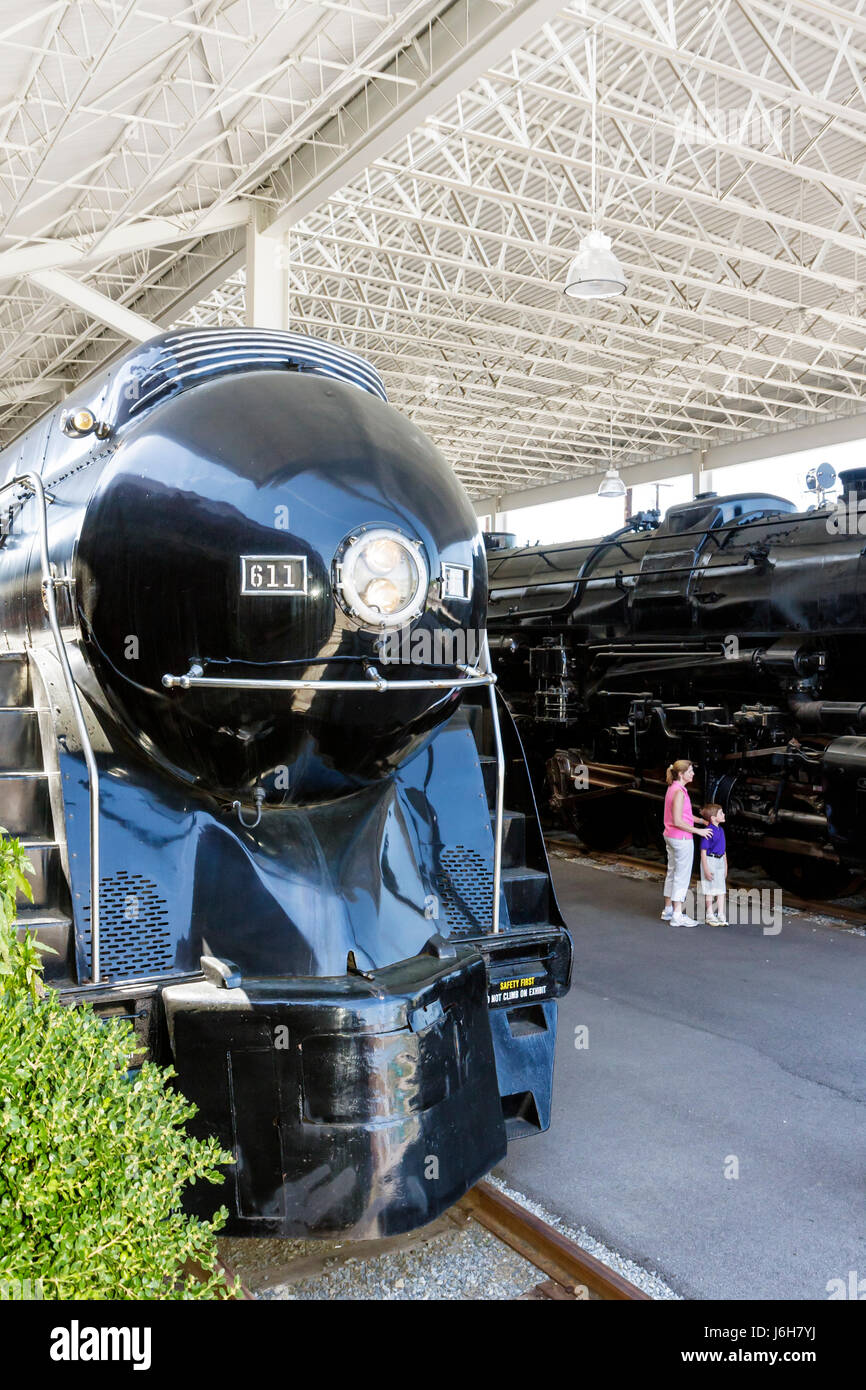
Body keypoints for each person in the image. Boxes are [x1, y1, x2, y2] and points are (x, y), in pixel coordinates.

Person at [661, 759, 710, 927]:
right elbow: (678, 820)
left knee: (672, 872)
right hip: (681, 838)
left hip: (671, 836)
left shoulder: (672, 788)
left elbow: (684, 815)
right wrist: (699, 831)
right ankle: (677, 915)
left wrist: (701, 821)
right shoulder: (680, 793)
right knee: (681, 877)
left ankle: (668, 910)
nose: (693, 774)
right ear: (681, 774)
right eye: (690, 771)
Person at [699, 803, 728, 926]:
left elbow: (723, 849)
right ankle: (710, 914)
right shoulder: (709, 831)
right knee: (710, 889)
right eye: (721, 813)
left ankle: (721, 914)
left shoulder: (721, 830)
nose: (724, 814)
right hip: (710, 861)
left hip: (720, 860)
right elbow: (703, 851)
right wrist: (705, 868)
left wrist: (726, 865)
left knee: (721, 889)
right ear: (713, 818)